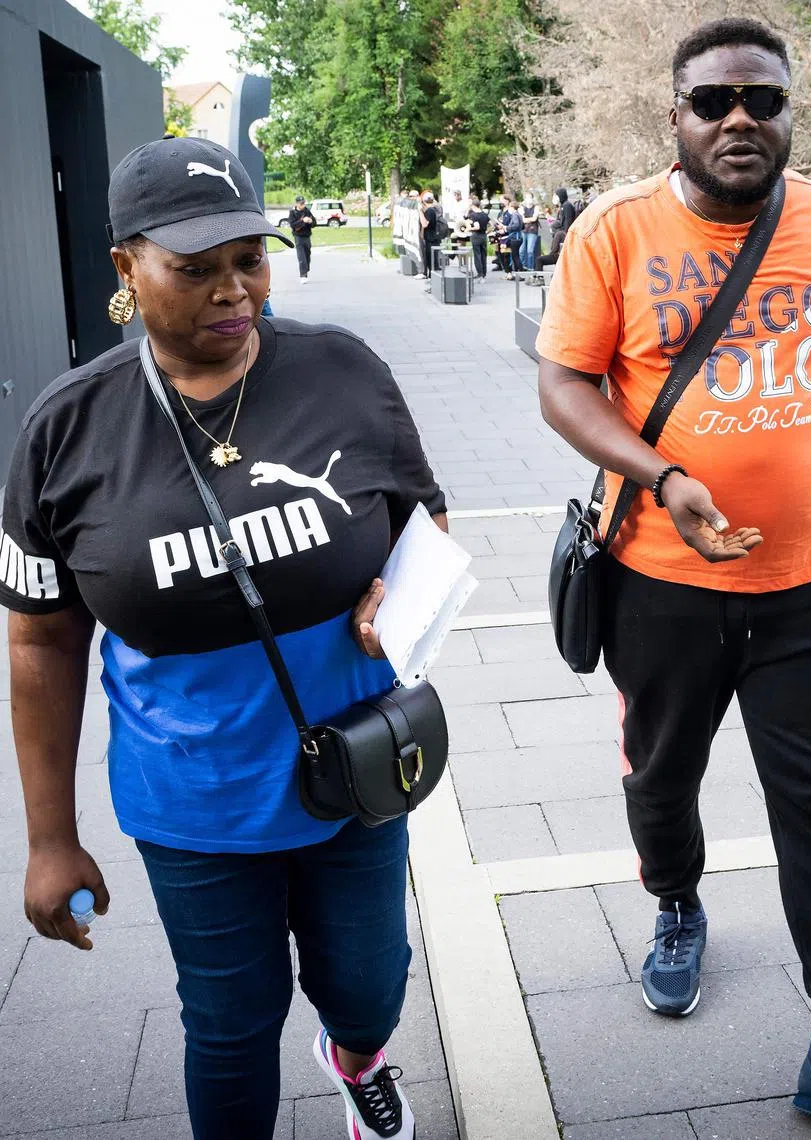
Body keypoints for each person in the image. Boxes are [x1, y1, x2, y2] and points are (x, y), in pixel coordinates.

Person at [536, 19, 811, 1140]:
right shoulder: (614, 231)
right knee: (661, 781)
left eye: (762, 101)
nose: (738, 120)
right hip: (660, 584)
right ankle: (677, 906)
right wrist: (661, 473)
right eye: (712, 100)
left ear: (786, 115)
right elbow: (566, 387)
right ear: (671, 116)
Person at [4, 136, 443, 1140]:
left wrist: (401, 602)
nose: (232, 291)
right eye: (194, 269)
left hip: (356, 775)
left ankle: (358, 1059)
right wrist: (49, 839)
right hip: (192, 799)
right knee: (232, 1022)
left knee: (370, 984)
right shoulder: (66, 429)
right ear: (126, 269)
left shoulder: (343, 370)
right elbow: (39, 644)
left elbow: (428, 521)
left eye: (248, 257)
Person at [287, 194, 316, 283]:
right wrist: (302, 221)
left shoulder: (307, 211)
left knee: (307, 254)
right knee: (301, 256)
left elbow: (314, 223)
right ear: (297, 204)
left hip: (307, 236)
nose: (302, 205)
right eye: (301, 203)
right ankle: (303, 275)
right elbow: (293, 225)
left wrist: (310, 221)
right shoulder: (293, 213)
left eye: (303, 203)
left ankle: (306, 269)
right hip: (298, 236)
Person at [467, 198, 491, 280]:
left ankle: (479, 273)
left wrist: (469, 229)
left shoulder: (474, 215)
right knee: (483, 255)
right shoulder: (484, 214)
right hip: (484, 236)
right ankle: (484, 273)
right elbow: (492, 224)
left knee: (477, 255)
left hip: (476, 236)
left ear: (473, 206)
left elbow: (477, 227)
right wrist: (487, 231)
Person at [520, 192, 541, 270]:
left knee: (530, 251)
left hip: (532, 231)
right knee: (521, 250)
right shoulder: (522, 207)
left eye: (530, 197)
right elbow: (522, 220)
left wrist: (526, 220)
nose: (528, 199)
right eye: (527, 197)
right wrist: (529, 219)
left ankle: (530, 267)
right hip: (523, 230)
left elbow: (534, 219)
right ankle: (522, 266)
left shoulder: (536, 207)